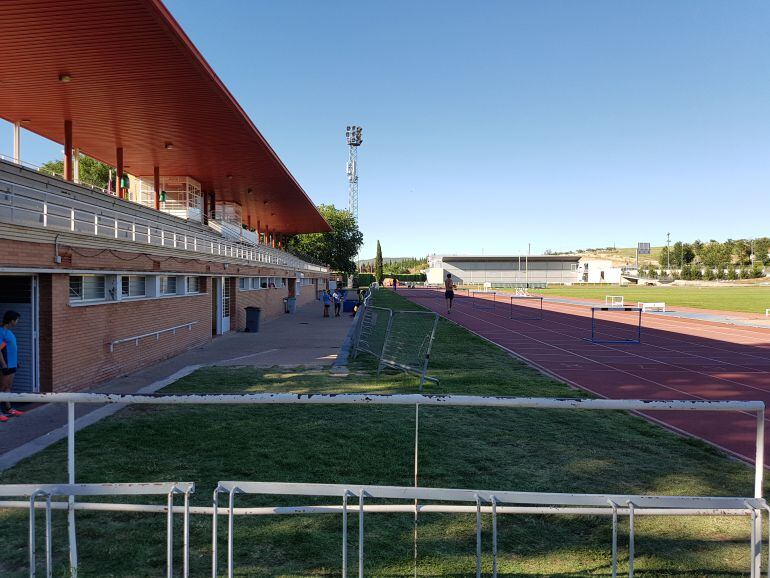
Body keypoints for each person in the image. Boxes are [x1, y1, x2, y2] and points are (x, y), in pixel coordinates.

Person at [0, 311, 24, 422]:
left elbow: (11, 348)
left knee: (8, 387)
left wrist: (16, 361)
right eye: (17, 320)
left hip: (12, 364)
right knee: (2, 387)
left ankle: (9, 409)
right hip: (6, 365)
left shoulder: (9, 332)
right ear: (11, 320)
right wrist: (4, 364)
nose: (17, 322)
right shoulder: (1, 332)